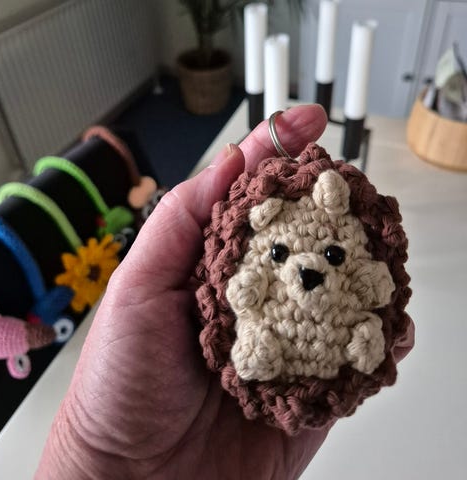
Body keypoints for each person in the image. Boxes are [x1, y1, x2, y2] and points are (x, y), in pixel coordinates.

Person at [36, 105, 413, 479]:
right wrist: (93, 452)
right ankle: (260, 347)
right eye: (279, 253)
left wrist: (92, 456)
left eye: (333, 254)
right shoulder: (244, 258)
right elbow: (238, 283)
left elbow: (374, 283)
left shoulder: (359, 258)